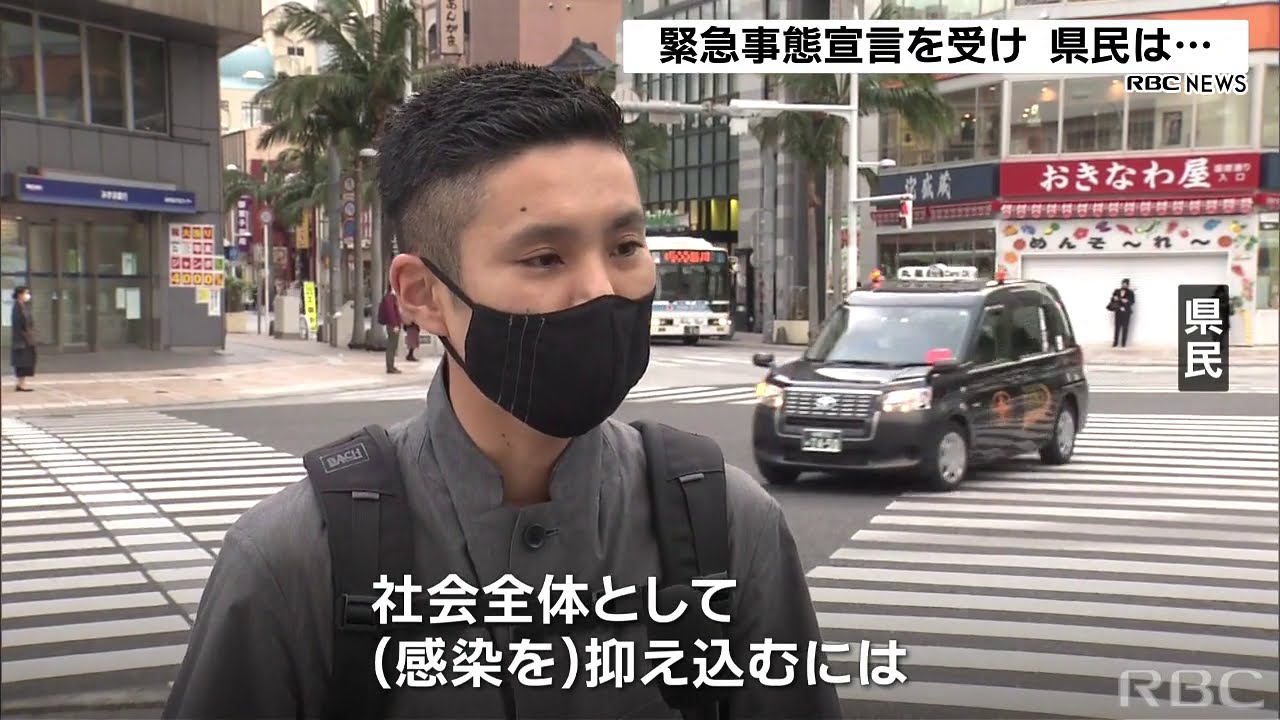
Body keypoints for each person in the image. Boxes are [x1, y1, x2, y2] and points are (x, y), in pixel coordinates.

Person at [164, 63, 840, 720]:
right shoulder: (293, 560)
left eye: (626, 246)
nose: (601, 290)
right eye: (544, 258)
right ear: (423, 295)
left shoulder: (729, 525)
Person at [9, 286, 36, 391]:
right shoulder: (17, 307)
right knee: (22, 362)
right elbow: (18, 325)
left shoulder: (22, 306)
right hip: (21, 340)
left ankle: (21, 384)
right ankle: (20, 385)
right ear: (20, 294)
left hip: (26, 339)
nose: (27, 295)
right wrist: (24, 338)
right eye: (26, 293)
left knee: (26, 362)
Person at [377, 284, 403, 374]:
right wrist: (395, 325)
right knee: (391, 347)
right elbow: (391, 312)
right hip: (392, 326)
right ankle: (390, 367)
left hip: (393, 325)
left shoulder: (392, 298)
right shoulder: (389, 298)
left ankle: (391, 366)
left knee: (393, 346)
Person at [1108, 278, 1135, 347]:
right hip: (1118, 311)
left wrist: (1127, 301)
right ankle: (1115, 342)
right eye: (1123, 284)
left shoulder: (1131, 292)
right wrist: (1114, 298)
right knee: (1117, 327)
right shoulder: (1116, 291)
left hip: (1126, 312)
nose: (1124, 285)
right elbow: (1112, 299)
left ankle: (1123, 343)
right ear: (1121, 283)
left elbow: (1132, 302)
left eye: (1126, 284)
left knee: (1125, 327)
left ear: (1128, 285)